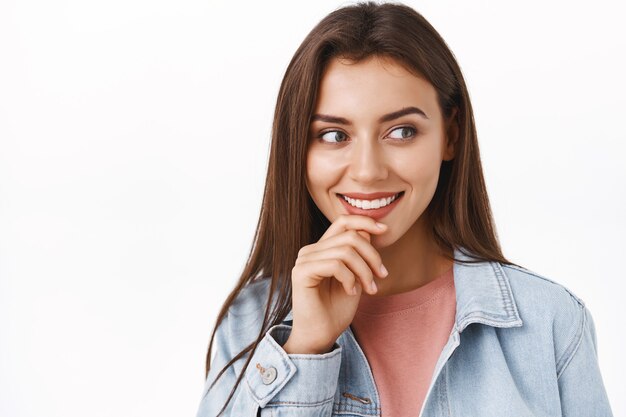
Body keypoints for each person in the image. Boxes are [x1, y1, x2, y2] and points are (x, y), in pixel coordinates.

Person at [195, 2, 613, 416]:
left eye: (401, 131)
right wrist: (305, 347)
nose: (367, 171)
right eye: (334, 135)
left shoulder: (552, 323)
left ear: (450, 135)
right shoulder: (247, 328)